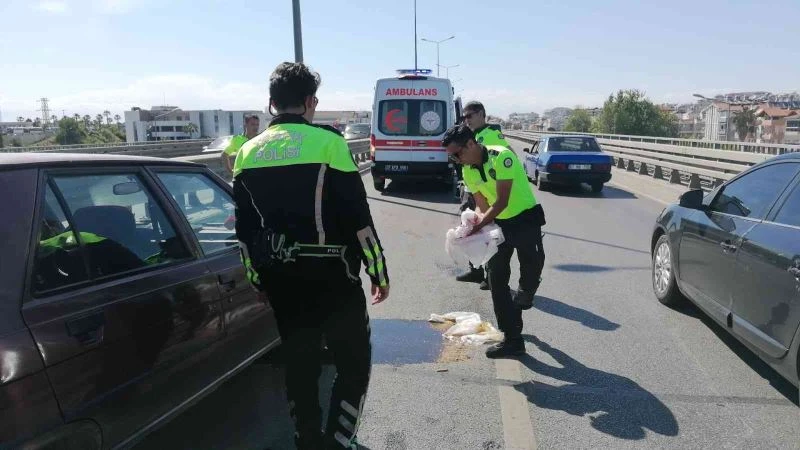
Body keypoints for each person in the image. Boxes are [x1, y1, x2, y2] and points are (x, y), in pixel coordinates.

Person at [232, 62, 390, 450]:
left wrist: (257, 281)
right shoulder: (328, 144)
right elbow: (359, 219)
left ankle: (307, 439)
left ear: (271, 105)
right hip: (333, 277)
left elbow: (246, 234)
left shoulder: (247, 153)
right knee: (353, 362)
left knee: (299, 364)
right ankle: (338, 441)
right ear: (307, 101)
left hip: (282, 280)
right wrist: (378, 271)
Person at [443, 124, 545, 358]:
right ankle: (512, 339)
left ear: (470, 144)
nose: (457, 160)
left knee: (530, 276)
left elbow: (502, 202)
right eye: (452, 157)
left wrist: (477, 225)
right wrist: (473, 225)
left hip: (525, 221)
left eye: (457, 154)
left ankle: (520, 300)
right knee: (496, 279)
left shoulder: (502, 157)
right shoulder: (468, 170)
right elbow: (483, 204)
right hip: (498, 225)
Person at [454, 101, 512, 290]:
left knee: (488, 233)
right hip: (472, 189)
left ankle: (490, 274)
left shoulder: (490, 136)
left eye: (469, 116)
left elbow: (500, 163)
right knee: (472, 230)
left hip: (485, 194)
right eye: (464, 117)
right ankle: (476, 268)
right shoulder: (475, 135)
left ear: (481, 114)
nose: (466, 120)